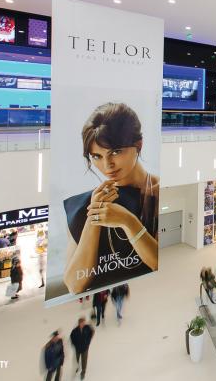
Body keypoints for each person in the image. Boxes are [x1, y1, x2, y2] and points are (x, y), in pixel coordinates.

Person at [63, 103, 159, 295]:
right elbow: (74, 284)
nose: (107, 165)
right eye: (96, 156)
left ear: (138, 145)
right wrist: (94, 217)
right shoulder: (82, 205)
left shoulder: (158, 193)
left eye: (115, 152)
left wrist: (128, 221)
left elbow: (159, 262)